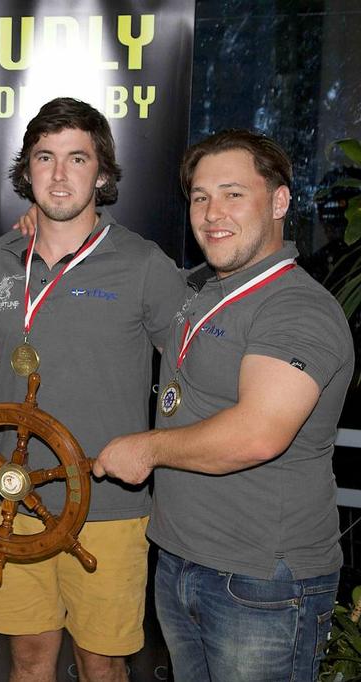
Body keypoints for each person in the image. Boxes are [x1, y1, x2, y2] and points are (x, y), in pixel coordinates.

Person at [94, 129, 355, 681]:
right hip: (183, 561)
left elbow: (257, 434)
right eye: (200, 197)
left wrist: (146, 449)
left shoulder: (296, 308)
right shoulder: (206, 291)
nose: (213, 213)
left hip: (261, 581)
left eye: (234, 193)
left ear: (280, 201)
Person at [0, 97, 185, 682]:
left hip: (109, 504)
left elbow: (192, 367)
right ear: (27, 170)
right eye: (45, 158)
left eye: (77, 158)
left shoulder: (144, 264)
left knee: (102, 663)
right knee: (30, 660)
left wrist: (172, 447)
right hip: (13, 496)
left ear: (103, 173)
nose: (60, 174)